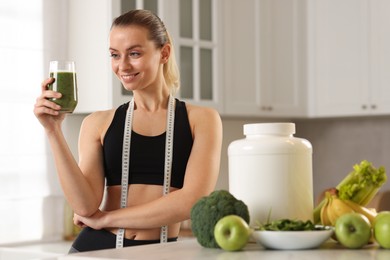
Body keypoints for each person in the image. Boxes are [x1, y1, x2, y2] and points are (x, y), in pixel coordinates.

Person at [34, 9, 222, 253]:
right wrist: (53, 130)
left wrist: (107, 219)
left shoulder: (202, 120)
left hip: (162, 251)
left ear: (163, 53)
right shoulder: (98, 123)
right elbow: (84, 206)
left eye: (134, 53)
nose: (122, 65)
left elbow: (191, 201)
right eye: (114, 55)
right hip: (97, 249)